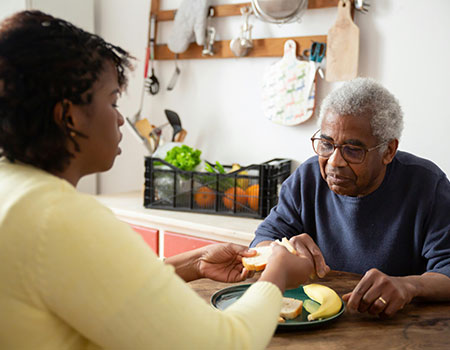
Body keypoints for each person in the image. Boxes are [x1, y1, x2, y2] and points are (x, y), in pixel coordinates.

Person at [0, 11, 315, 349]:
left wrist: (194, 262)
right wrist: (277, 274)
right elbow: (224, 343)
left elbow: (111, 289)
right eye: (113, 101)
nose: (121, 119)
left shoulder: (13, 187)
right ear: (69, 116)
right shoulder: (60, 218)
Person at [251, 77, 450, 318]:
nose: (334, 162)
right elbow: (261, 241)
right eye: (326, 144)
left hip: (400, 325)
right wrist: (280, 250)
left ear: (388, 151)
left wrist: (410, 285)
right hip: (318, 321)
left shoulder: (427, 185)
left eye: (353, 150)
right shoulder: (308, 178)